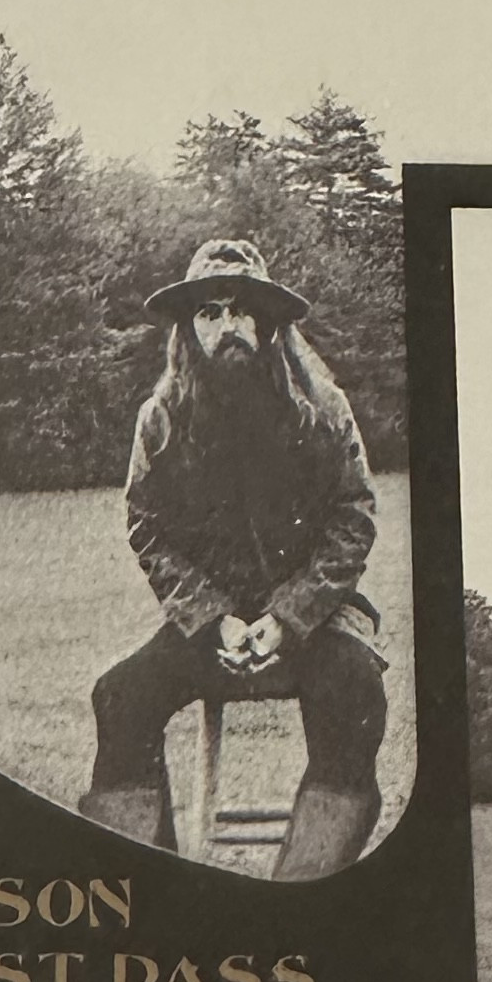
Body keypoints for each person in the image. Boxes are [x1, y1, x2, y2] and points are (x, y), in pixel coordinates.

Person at [80, 237, 388, 881]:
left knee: (355, 690)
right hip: (210, 626)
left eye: (244, 309)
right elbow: (146, 527)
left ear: (270, 323)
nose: (229, 326)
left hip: (318, 622)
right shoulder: (161, 419)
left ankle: (302, 887)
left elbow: (354, 515)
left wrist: (289, 617)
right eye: (210, 312)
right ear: (189, 330)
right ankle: (157, 889)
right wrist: (213, 617)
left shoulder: (323, 409)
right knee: (120, 697)